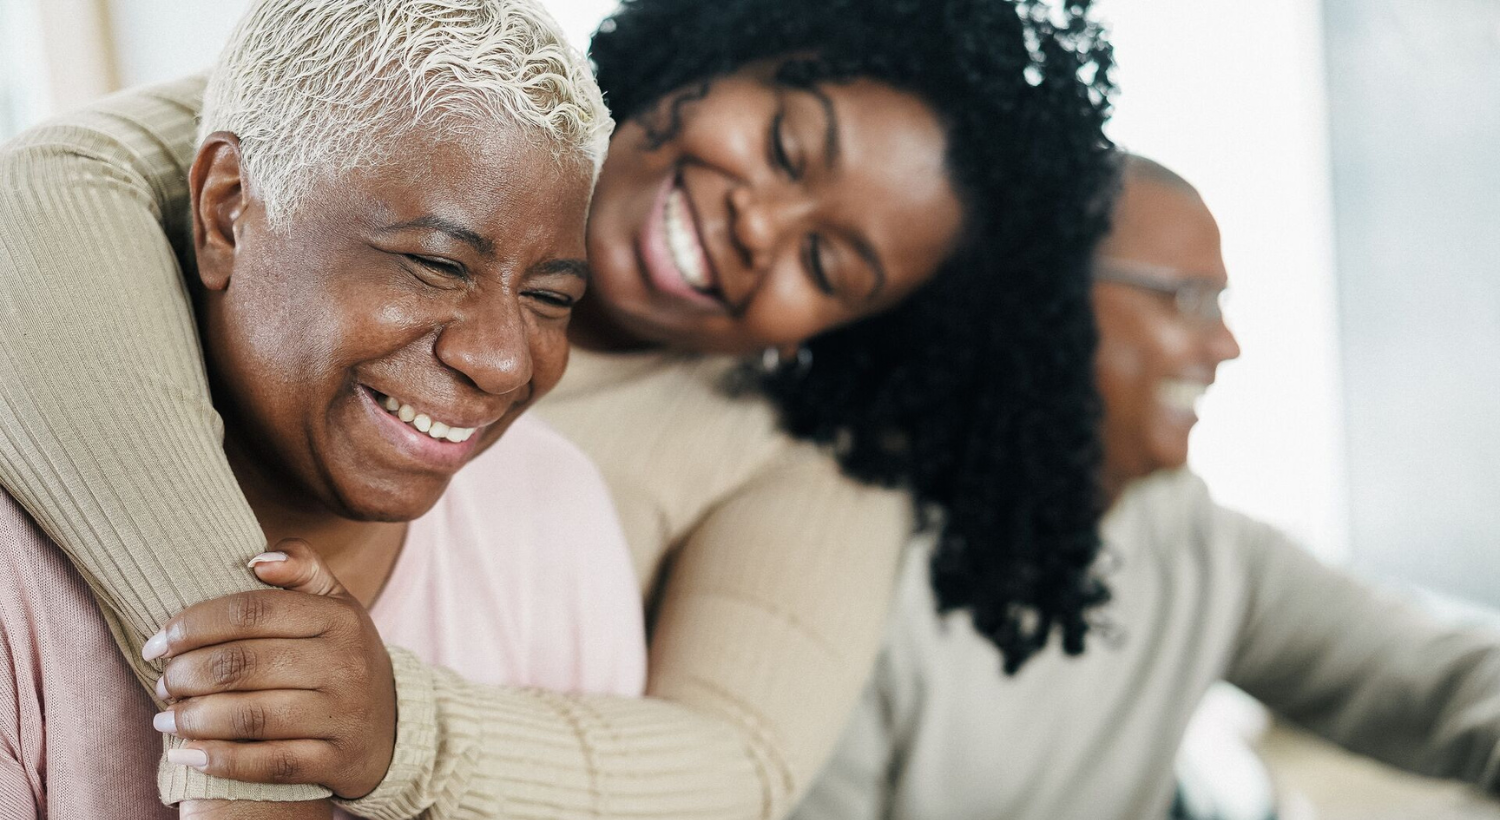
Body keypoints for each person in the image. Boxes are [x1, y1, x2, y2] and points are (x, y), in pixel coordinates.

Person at [0, 0, 1117, 815]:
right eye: (784, 146)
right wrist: (251, 715)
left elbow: (735, 769)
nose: (759, 227)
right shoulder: (443, 96)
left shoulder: (689, 487)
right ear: (720, 58)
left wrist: (395, 729)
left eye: (828, 263)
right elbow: (46, 198)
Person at [0, 1, 646, 818]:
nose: (504, 360)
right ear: (225, 210)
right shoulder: (16, 576)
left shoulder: (555, 510)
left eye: (551, 296)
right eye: (435, 264)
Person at [787, 155, 1500, 820]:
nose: (1226, 345)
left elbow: (1430, 676)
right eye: (1189, 299)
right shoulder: (840, 568)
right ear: (1040, 300)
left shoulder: (1186, 534)